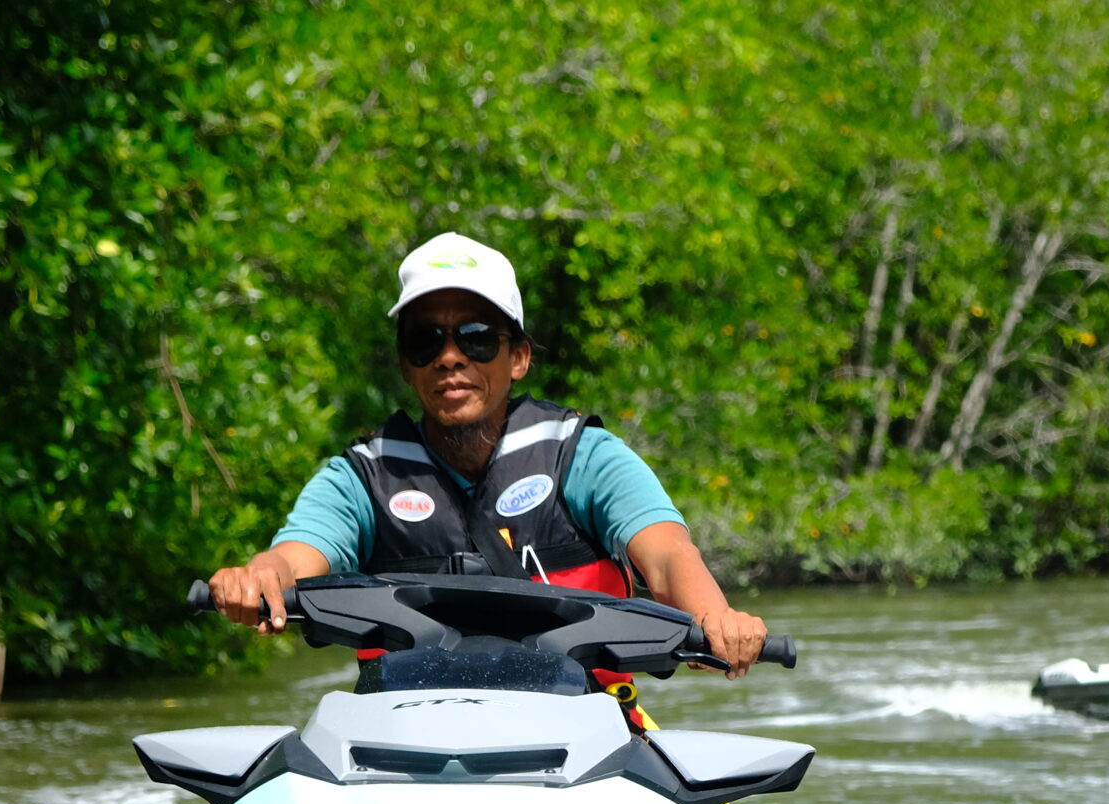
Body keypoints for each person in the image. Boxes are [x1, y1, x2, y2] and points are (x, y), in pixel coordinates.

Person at [208, 232, 767, 675]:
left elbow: (668, 556)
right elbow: (292, 559)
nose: (450, 358)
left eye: (476, 337)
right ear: (406, 365)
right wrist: (257, 578)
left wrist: (713, 618)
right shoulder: (360, 478)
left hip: (587, 733)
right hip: (400, 741)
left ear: (518, 356)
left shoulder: (587, 456)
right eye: (426, 341)